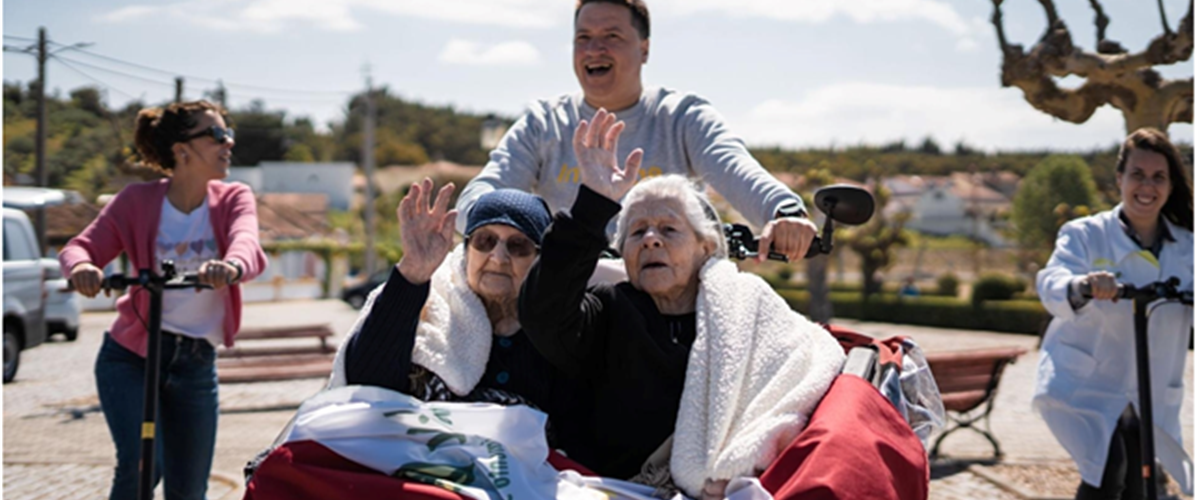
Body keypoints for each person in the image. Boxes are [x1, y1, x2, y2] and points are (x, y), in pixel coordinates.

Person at [519, 115, 845, 499]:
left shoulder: (743, 310)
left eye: (669, 229)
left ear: (705, 247)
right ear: (623, 254)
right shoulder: (608, 309)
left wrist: (740, 467)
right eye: (637, 232)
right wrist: (593, 204)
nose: (651, 240)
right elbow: (542, 313)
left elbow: (792, 385)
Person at [456, 0, 817, 263]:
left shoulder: (682, 117)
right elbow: (484, 193)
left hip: (664, 300)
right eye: (583, 37)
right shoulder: (542, 123)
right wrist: (495, 226)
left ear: (644, 49)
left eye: (611, 36)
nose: (594, 49)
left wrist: (783, 211)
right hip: (564, 300)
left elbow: (736, 168)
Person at [61, 100, 267, 500]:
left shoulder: (234, 198)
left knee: (188, 490)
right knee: (142, 464)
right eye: (217, 135)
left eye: (229, 134)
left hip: (196, 363)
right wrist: (82, 268)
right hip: (131, 358)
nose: (228, 143)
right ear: (181, 149)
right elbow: (80, 248)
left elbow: (247, 244)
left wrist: (231, 266)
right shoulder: (136, 201)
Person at [328, 179, 590, 454]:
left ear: (538, 260)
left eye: (518, 246)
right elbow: (367, 387)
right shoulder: (429, 306)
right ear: (466, 251)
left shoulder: (561, 328)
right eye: (485, 241)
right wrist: (413, 272)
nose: (498, 257)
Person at [1033, 127, 1193, 500]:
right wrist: (1083, 285)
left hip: (1149, 385)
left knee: (1142, 481)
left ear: (1170, 185)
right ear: (1119, 178)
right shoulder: (1085, 234)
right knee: (1107, 469)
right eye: (1137, 174)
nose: (1147, 186)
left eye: (1158, 177)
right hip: (1087, 381)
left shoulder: (1188, 246)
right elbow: (1053, 280)